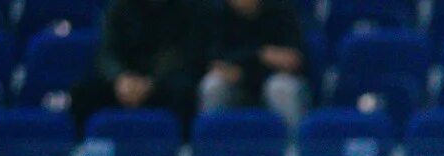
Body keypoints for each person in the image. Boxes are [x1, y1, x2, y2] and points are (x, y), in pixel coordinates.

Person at [69, 0, 213, 132]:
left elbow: (184, 54)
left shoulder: (189, 8)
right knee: (83, 94)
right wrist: (120, 77)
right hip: (123, 82)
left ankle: (183, 151)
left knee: (185, 94)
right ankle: (82, 150)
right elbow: (107, 53)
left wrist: (151, 82)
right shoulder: (119, 7)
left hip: (163, 82)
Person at [199, 0, 310, 129]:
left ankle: (292, 145)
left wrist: (245, 66)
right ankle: (211, 142)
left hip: (274, 78)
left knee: (280, 87)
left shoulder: (282, 10)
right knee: (213, 85)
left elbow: (293, 59)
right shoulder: (218, 13)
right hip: (236, 82)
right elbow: (215, 59)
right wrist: (261, 55)